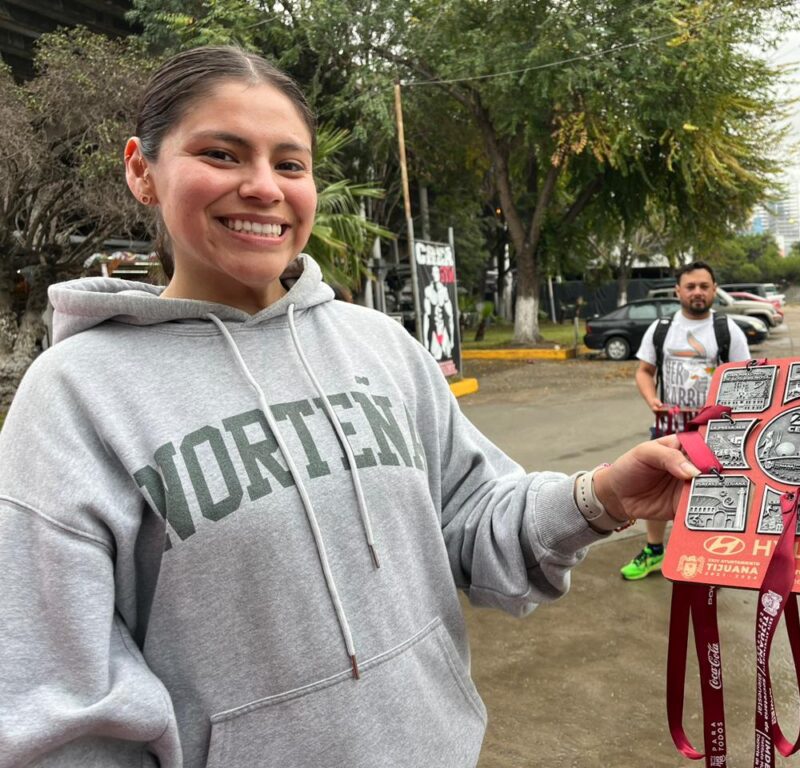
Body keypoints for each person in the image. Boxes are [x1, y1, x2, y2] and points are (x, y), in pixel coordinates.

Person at [0, 47, 701, 768]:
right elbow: (63, 707)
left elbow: (472, 517)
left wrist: (602, 496)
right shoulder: (76, 398)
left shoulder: (379, 347)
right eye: (222, 153)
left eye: (290, 164)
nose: (263, 187)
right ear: (142, 169)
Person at [620, 261, 750, 580]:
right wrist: (651, 398)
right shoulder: (662, 328)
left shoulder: (726, 329)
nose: (697, 292)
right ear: (678, 290)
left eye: (704, 286)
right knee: (656, 484)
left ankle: (708, 556)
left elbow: (748, 376)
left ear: (714, 290)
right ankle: (654, 550)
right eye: (690, 286)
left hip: (713, 429)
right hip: (669, 426)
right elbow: (644, 371)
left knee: (713, 491)